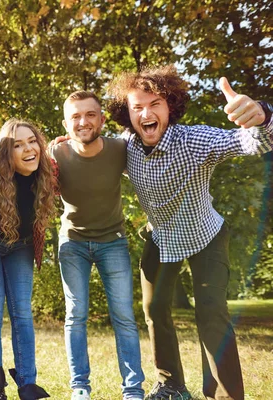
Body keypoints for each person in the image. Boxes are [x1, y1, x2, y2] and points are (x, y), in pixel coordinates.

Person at [106, 65, 273, 400]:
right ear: (128, 114)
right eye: (137, 107)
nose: (146, 113)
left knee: (210, 311)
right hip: (161, 236)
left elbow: (254, 143)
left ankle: (225, 394)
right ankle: (171, 385)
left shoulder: (194, 140)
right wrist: (68, 145)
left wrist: (262, 116)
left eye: (155, 104)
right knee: (154, 310)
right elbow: (93, 155)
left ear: (171, 106)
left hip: (204, 235)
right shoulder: (127, 147)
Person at [50, 91, 144, 400]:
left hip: (113, 241)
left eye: (90, 114)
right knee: (76, 314)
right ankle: (80, 387)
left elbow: (151, 165)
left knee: (124, 317)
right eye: (75, 116)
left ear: (101, 119)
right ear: (66, 123)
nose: (83, 121)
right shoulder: (56, 154)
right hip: (73, 242)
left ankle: (132, 390)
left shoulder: (120, 149)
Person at [0, 119, 56, 400]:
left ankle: (28, 384)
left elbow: (74, 151)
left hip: (21, 246)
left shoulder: (49, 171)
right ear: (6, 152)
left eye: (32, 141)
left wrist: (62, 142)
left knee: (22, 314)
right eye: (17, 145)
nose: (28, 149)